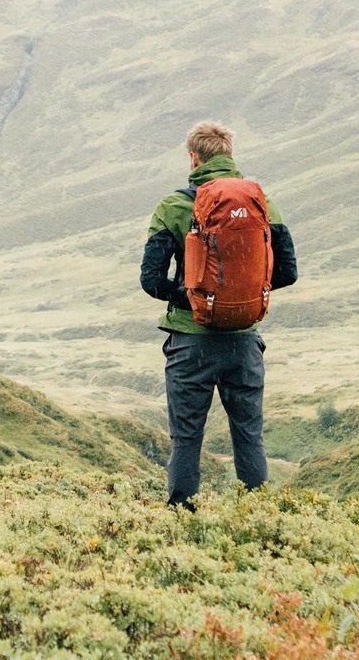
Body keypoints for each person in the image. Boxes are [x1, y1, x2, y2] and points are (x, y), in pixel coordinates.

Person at [139, 120, 298, 510]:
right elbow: (287, 271)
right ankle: (260, 519)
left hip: (190, 344)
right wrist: (239, 296)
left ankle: (181, 520)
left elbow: (151, 279)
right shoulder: (262, 202)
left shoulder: (175, 205)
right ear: (229, 155)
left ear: (192, 158)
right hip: (244, 341)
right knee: (248, 435)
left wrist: (197, 298)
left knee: (187, 437)